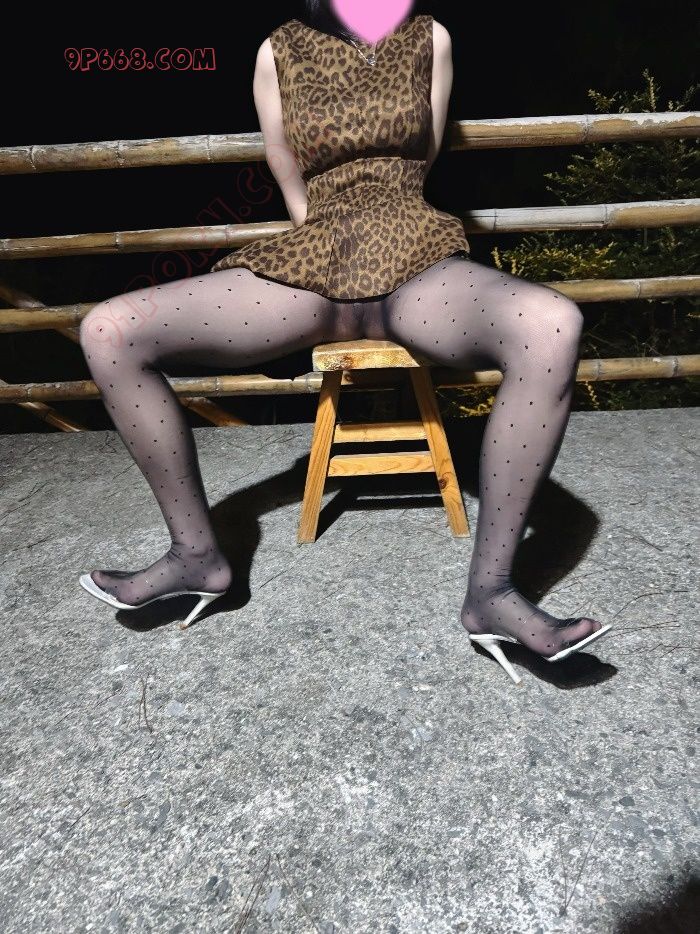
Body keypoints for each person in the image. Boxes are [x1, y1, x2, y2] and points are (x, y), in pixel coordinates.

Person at [78, 0, 611, 678]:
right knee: (109, 330)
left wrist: (379, 244)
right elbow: (285, 166)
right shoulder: (277, 50)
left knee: (552, 323)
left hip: (415, 258)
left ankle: (493, 594)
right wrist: (330, 250)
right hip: (315, 264)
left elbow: (424, 155)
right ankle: (195, 556)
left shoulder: (431, 38)